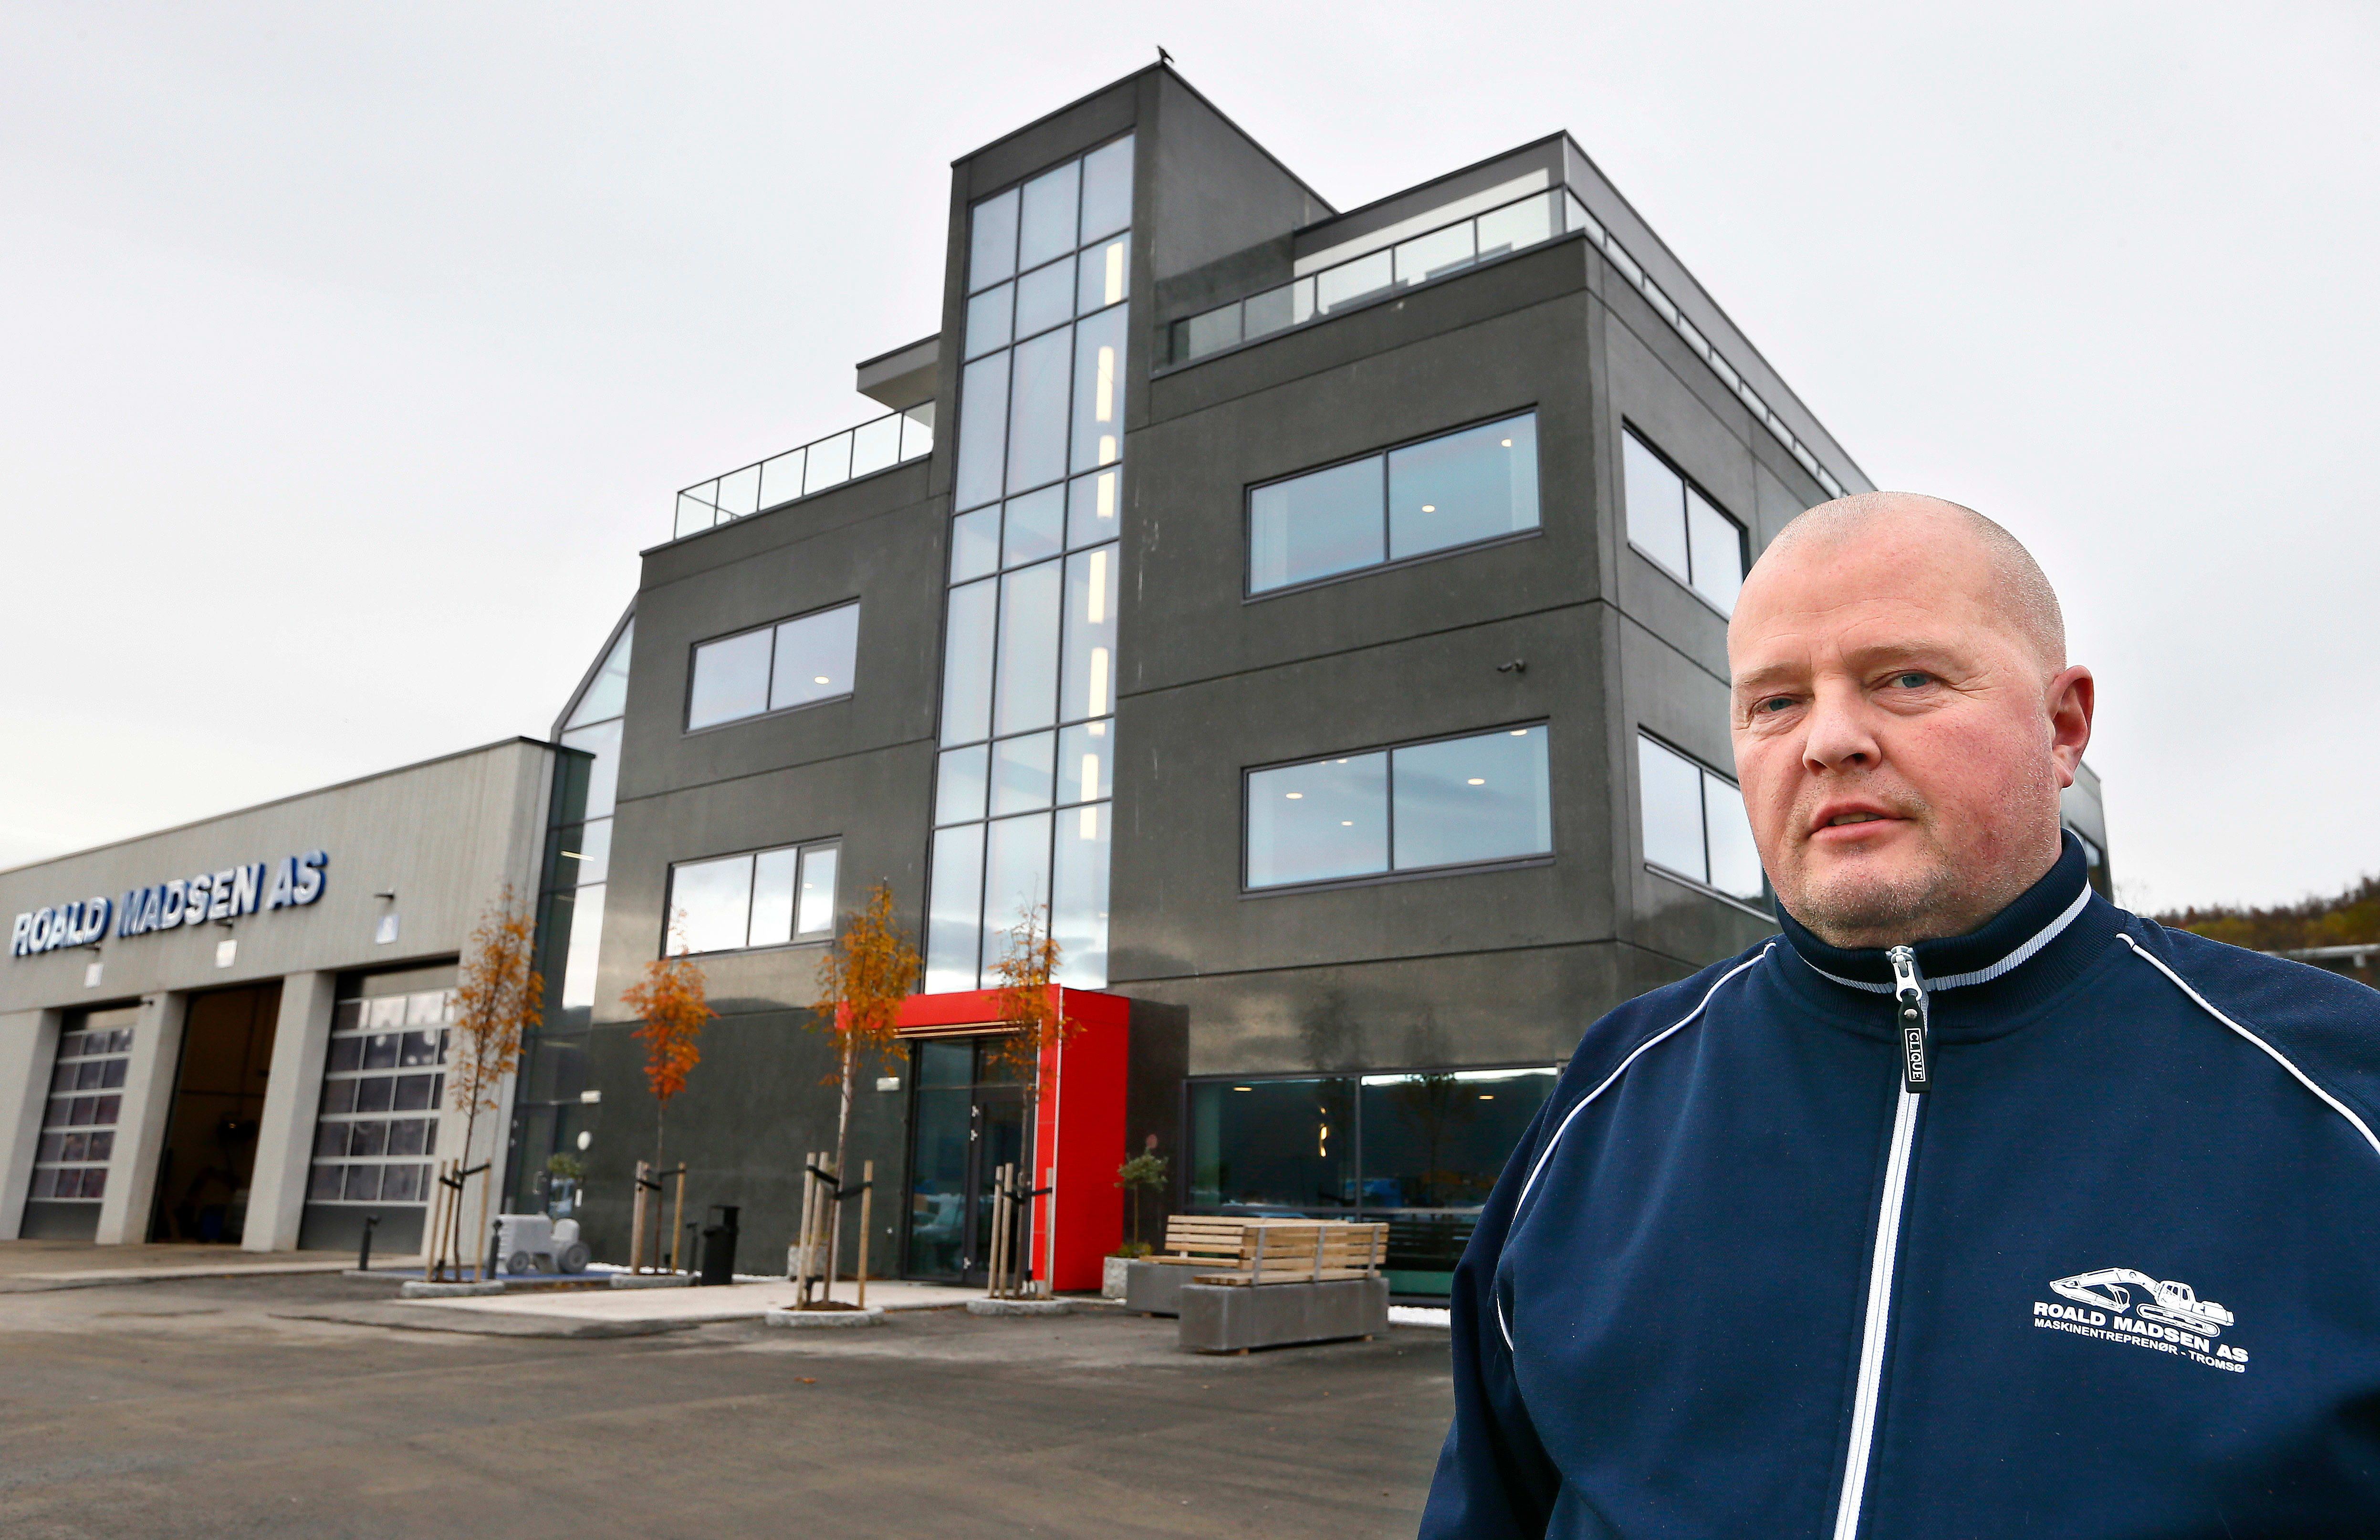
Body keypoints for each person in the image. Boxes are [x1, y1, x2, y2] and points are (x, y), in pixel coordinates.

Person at [1420, 493, 2380, 1538]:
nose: (1829, 740)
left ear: (2062, 728)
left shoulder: (2337, 1096)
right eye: (1776, 702)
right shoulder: (1611, 1092)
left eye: (1906, 679)